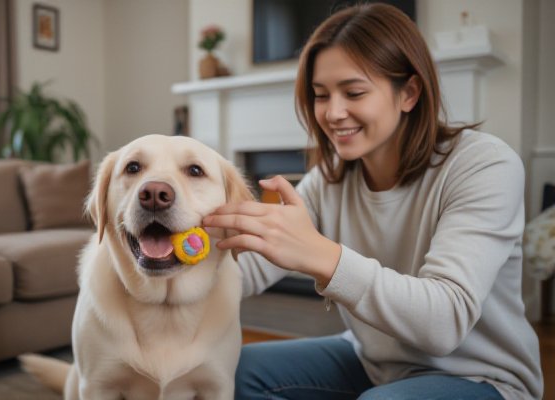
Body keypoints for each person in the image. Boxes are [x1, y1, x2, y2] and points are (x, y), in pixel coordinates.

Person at [202, 3, 543, 400]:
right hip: (374, 362)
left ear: (409, 93)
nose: (333, 113)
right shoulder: (327, 181)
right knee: (238, 371)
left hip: (482, 378)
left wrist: (321, 255)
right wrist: (174, 257)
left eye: (354, 92)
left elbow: (445, 322)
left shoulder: (485, 165)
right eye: (320, 95)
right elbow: (244, 273)